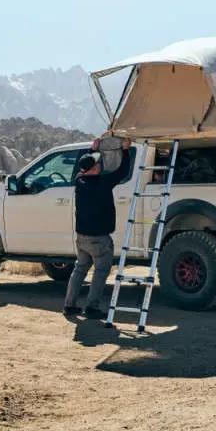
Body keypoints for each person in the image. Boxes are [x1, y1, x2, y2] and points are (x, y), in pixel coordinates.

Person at [63, 137, 132, 319]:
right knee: (101, 271)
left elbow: (85, 166)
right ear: (92, 169)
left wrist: (92, 149)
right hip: (99, 238)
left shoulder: (79, 181)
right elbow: (123, 170)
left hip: (82, 237)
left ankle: (69, 305)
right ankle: (92, 307)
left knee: (80, 268)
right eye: (98, 163)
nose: (100, 165)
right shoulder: (103, 182)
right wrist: (125, 150)